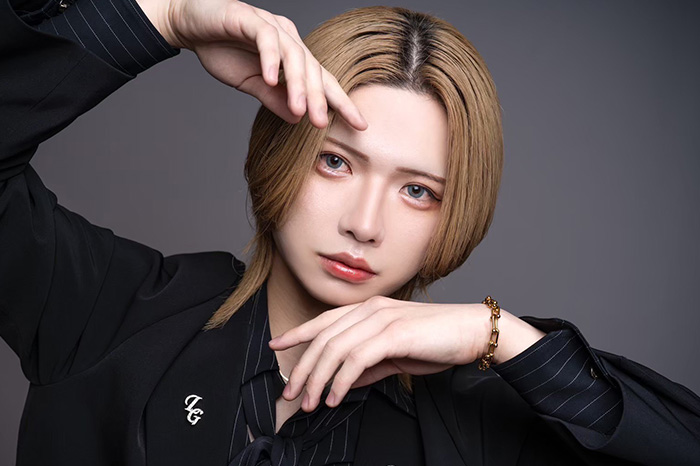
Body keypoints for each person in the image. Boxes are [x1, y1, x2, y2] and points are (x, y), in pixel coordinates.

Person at [1, 0, 699, 464]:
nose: (363, 224)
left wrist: (499, 336)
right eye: (335, 162)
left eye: (418, 191)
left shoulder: (474, 422)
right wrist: (165, 16)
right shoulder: (109, 311)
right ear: (281, 154)